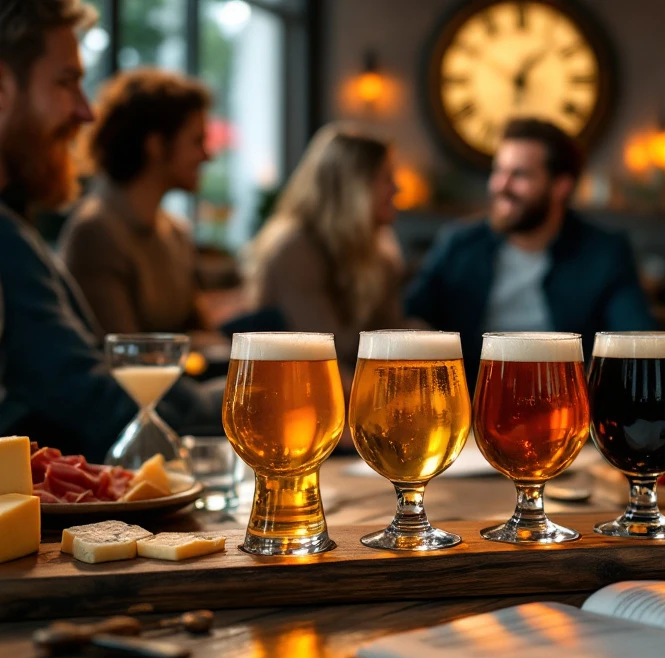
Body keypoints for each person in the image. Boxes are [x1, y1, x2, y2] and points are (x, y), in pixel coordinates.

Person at [0, 0, 219, 461]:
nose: (86, 111)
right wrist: (252, 405)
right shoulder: (51, 234)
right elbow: (82, 388)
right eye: (66, 82)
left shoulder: (15, 229)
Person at [405, 118, 656, 385]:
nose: (500, 186)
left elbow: (635, 339)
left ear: (561, 186)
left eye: (519, 175)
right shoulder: (459, 244)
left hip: (563, 408)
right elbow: (411, 318)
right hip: (472, 404)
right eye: (498, 171)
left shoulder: (604, 252)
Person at [59, 68, 212, 335]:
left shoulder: (174, 231)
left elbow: (202, 332)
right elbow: (123, 357)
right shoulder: (97, 233)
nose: (206, 156)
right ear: (154, 145)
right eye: (197, 141)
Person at [248, 126, 405, 373]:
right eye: (386, 178)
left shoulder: (377, 254)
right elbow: (323, 363)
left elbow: (390, 338)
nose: (397, 189)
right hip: (291, 396)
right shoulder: (296, 252)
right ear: (353, 187)